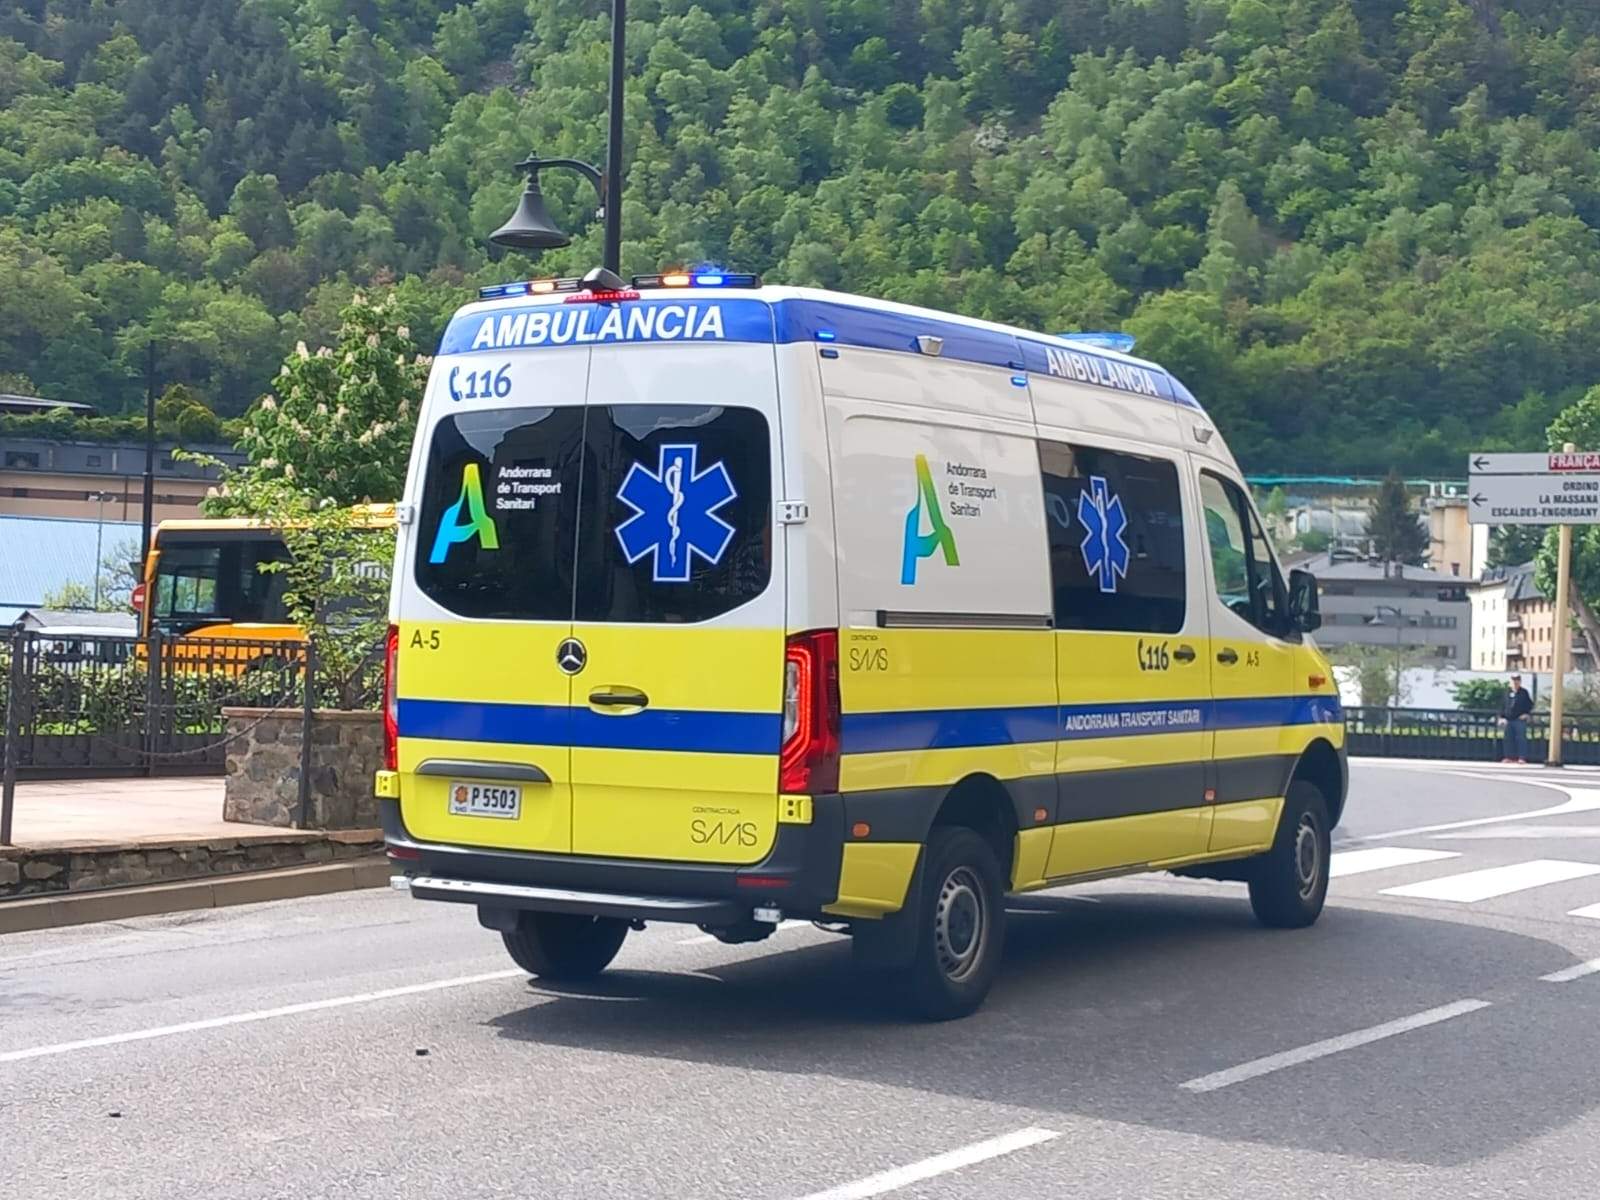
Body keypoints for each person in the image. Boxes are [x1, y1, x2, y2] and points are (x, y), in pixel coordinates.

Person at [1500, 674, 1534, 763]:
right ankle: (1508, 757)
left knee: (1521, 739)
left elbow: (1530, 705)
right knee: (1508, 739)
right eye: (1513, 680)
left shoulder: (1524, 692)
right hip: (1508, 719)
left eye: (1517, 680)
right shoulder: (1506, 692)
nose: (1515, 682)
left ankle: (1522, 757)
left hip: (1519, 720)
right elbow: (1502, 706)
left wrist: (1526, 714)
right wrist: (1501, 717)